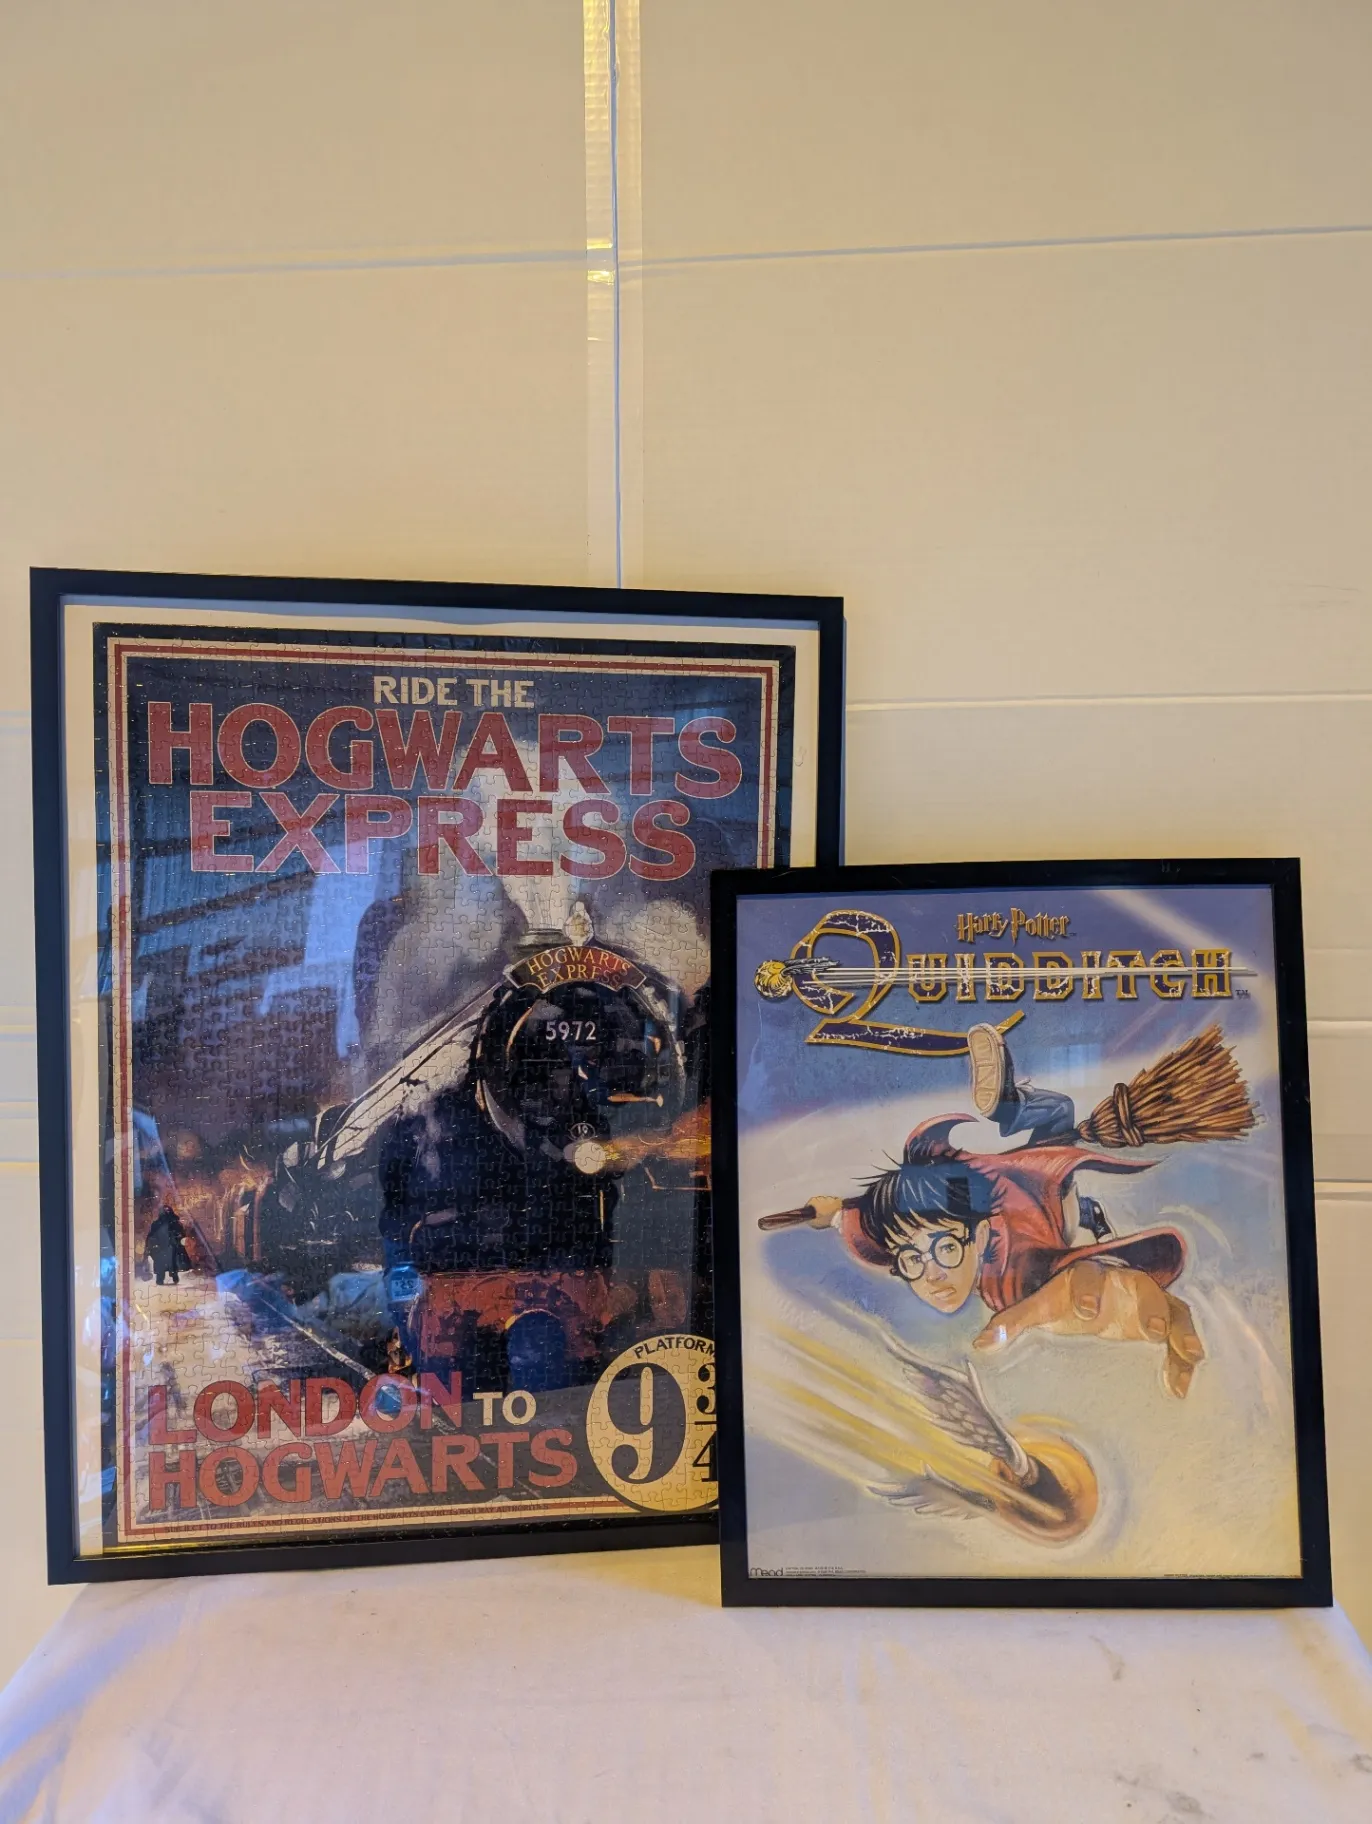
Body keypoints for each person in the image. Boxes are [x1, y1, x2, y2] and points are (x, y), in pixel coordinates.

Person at [770, 1025, 1206, 1398]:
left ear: (979, 1236)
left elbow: (1072, 1284)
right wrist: (834, 1214)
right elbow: (879, 1221)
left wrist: (1103, 1280)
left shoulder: (1010, 1280)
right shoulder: (918, 1215)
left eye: (945, 1249)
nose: (932, 1276)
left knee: (1059, 1116)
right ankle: (1010, 1110)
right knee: (1058, 1118)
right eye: (911, 1261)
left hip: (1043, 1195)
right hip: (1036, 1191)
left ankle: (1007, 1106)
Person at [144, 1205, 191, 1286]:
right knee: (160, 1264)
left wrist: (178, 1238)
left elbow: (181, 1234)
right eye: (165, 1211)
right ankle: (160, 1279)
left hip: (172, 1246)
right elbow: (151, 1236)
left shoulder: (176, 1223)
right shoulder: (156, 1224)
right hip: (160, 1247)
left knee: (173, 1262)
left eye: (168, 1211)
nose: (166, 1213)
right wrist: (153, 1245)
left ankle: (174, 1275)